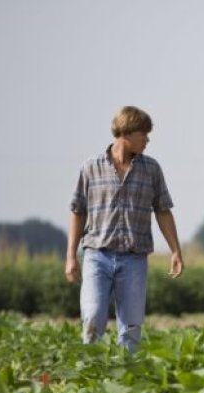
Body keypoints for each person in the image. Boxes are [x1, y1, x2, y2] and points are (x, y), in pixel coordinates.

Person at [65, 106, 183, 353]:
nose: (147, 140)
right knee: (93, 317)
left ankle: (128, 379)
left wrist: (175, 251)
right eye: (144, 134)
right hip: (97, 255)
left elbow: (163, 210)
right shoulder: (90, 168)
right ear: (126, 133)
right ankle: (89, 376)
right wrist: (70, 257)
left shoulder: (151, 169)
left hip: (134, 258)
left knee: (131, 327)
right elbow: (78, 211)